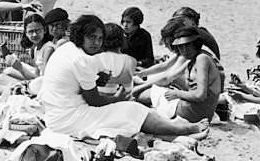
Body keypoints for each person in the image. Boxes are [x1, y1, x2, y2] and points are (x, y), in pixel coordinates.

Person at [39, 16, 209, 139]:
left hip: (56, 114)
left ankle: (175, 127)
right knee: (131, 110)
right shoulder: (82, 59)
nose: (96, 43)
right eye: (91, 37)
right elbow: (94, 101)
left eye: (100, 38)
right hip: (68, 119)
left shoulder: (68, 48)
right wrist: (116, 99)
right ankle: (184, 130)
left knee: (132, 110)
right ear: (80, 36)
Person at [137, 27, 222, 124]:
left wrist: (177, 94)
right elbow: (165, 67)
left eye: (188, 45)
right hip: (200, 112)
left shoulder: (202, 59)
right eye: (181, 47)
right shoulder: (195, 58)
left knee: (146, 96)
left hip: (192, 113)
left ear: (196, 43)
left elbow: (200, 95)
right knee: (154, 92)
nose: (184, 50)